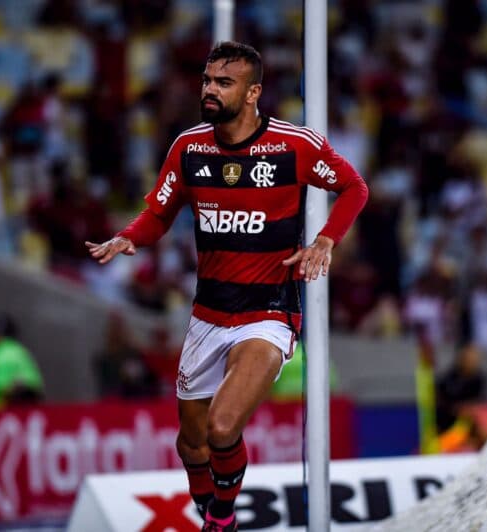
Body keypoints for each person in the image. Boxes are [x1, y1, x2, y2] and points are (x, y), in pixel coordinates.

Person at [87, 41, 368, 531]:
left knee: (221, 427)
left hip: (268, 313)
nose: (210, 90)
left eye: (224, 82)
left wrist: (325, 240)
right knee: (191, 443)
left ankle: (221, 518)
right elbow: (158, 213)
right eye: (207, 80)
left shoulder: (293, 146)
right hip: (208, 315)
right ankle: (210, 510)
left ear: (254, 91)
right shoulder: (188, 148)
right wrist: (129, 237)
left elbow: (354, 187)